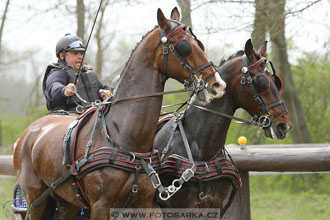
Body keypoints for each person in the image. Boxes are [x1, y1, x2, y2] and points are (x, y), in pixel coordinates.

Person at [43, 34, 111, 113]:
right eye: (75, 53)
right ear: (62, 56)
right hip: (68, 120)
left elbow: (104, 88)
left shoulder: (88, 72)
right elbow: (53, 87)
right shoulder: (58, 72)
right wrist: (64, 90)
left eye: (82, 53)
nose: (80, 57)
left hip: (96, 117)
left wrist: (107, 93)